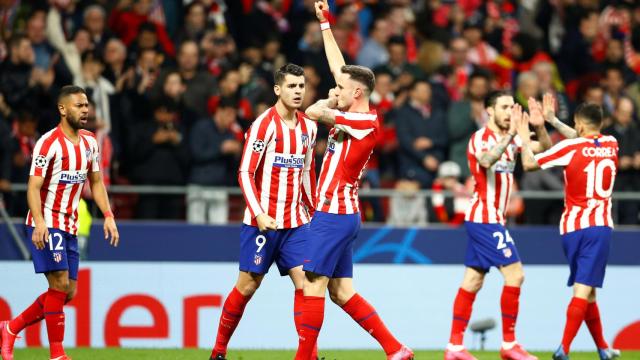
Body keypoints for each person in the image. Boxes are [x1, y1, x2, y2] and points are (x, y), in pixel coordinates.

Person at [295, 2, 413, 360]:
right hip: (341, 214)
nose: (338, 89)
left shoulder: (364, 123)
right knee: (341, 291)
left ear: (356, 94)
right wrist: (325, 23)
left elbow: (312, 112)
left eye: (342, 88)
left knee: (312, 286)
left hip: (332, 214)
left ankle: (303, 358)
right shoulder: (354, 114)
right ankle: (396, 349)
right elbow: (338, 67)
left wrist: (328, 101)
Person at [0, 85, 119, 360]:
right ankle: (57, 354)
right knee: (60, 285)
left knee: (69, 292)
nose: (86, 109)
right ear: (62, 109)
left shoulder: (90, 142)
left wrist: (109, 216)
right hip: (46, 221)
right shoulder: (47, 143)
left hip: (70, 224)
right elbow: (33, 187)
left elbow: (97, 182)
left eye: (87, 104)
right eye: (79, 105)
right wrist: (40, 222)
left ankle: (11, 328)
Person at [209, 63, 317, 360]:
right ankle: (218, 350)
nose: (297, 91)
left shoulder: (309, 127)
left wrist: (314, 209)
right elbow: (245, 172)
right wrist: (258, 213)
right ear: (277, 89)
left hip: (296, 222)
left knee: (307, 284)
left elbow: (307, 172)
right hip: (262, 223)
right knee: (247, 286)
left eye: (301, 86)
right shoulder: (263, 126)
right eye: (291, 86)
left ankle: (307, 354)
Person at [444, 92, 555, 360]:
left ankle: (454, 347)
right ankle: (509, 344)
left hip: (490, 218)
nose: (508, 112)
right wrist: (513, 135)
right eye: (503, 107)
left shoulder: (514, 138)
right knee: (515, 275)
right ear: (490, 111)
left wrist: (540, 125)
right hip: (485, 218)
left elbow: (545, 148)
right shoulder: (481, 137)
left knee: (472, 280)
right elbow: (485, 161)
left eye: (511, 107)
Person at [518, 98, 621, 360]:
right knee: (583, 290)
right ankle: (563, 348)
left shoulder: (570, 147)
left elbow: (530, 164)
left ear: (578, 124)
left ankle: (602, 348)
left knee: (588, 292)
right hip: (598, 228)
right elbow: (584, 138)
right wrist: (553, 120)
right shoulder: (611, 144)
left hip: (571, 229)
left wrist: (523, 138)